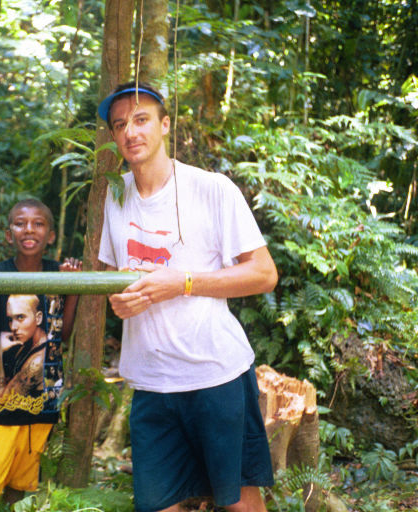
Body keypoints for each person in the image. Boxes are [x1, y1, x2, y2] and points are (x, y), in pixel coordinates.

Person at [97, 82, 279, 512]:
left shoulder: (211, 189)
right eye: (120, 124)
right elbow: (115, 282)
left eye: (141, 120)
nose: (130, 132)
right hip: (150, 381)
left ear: (164, 125)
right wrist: (119, 302)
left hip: (215, 375)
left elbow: (264, 273)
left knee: (238, 502)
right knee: (157, 504)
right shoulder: (115, 194)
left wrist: (184, 282)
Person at [0, 199, 81, 511]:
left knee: (21, 487)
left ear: (51, 235)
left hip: (42, 404)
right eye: (20, 223)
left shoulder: (58, 273)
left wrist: (72, 289)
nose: (28, 229)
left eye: (38, 223)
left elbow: (63, 335)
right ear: (8, 234)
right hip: (0, 406)